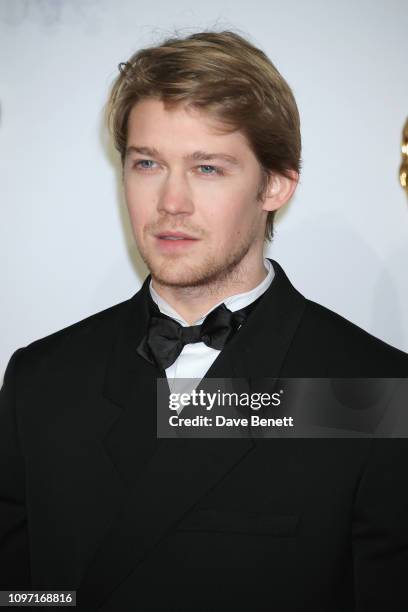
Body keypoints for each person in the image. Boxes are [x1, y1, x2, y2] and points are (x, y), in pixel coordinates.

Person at [1, 30, 407, 612]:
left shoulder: (373, 392)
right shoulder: (41, 379)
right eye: (147, 163)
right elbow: (24, 591)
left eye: (208, 168)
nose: (171, 202)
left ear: (275, 184)